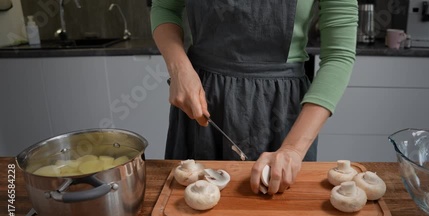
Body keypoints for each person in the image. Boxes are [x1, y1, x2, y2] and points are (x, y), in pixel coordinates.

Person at [151, 0, 357, 195]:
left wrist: (293, 149)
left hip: (282, 112)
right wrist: (179, 68)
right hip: (202, 102)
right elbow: (165, 8)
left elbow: (338, 56)